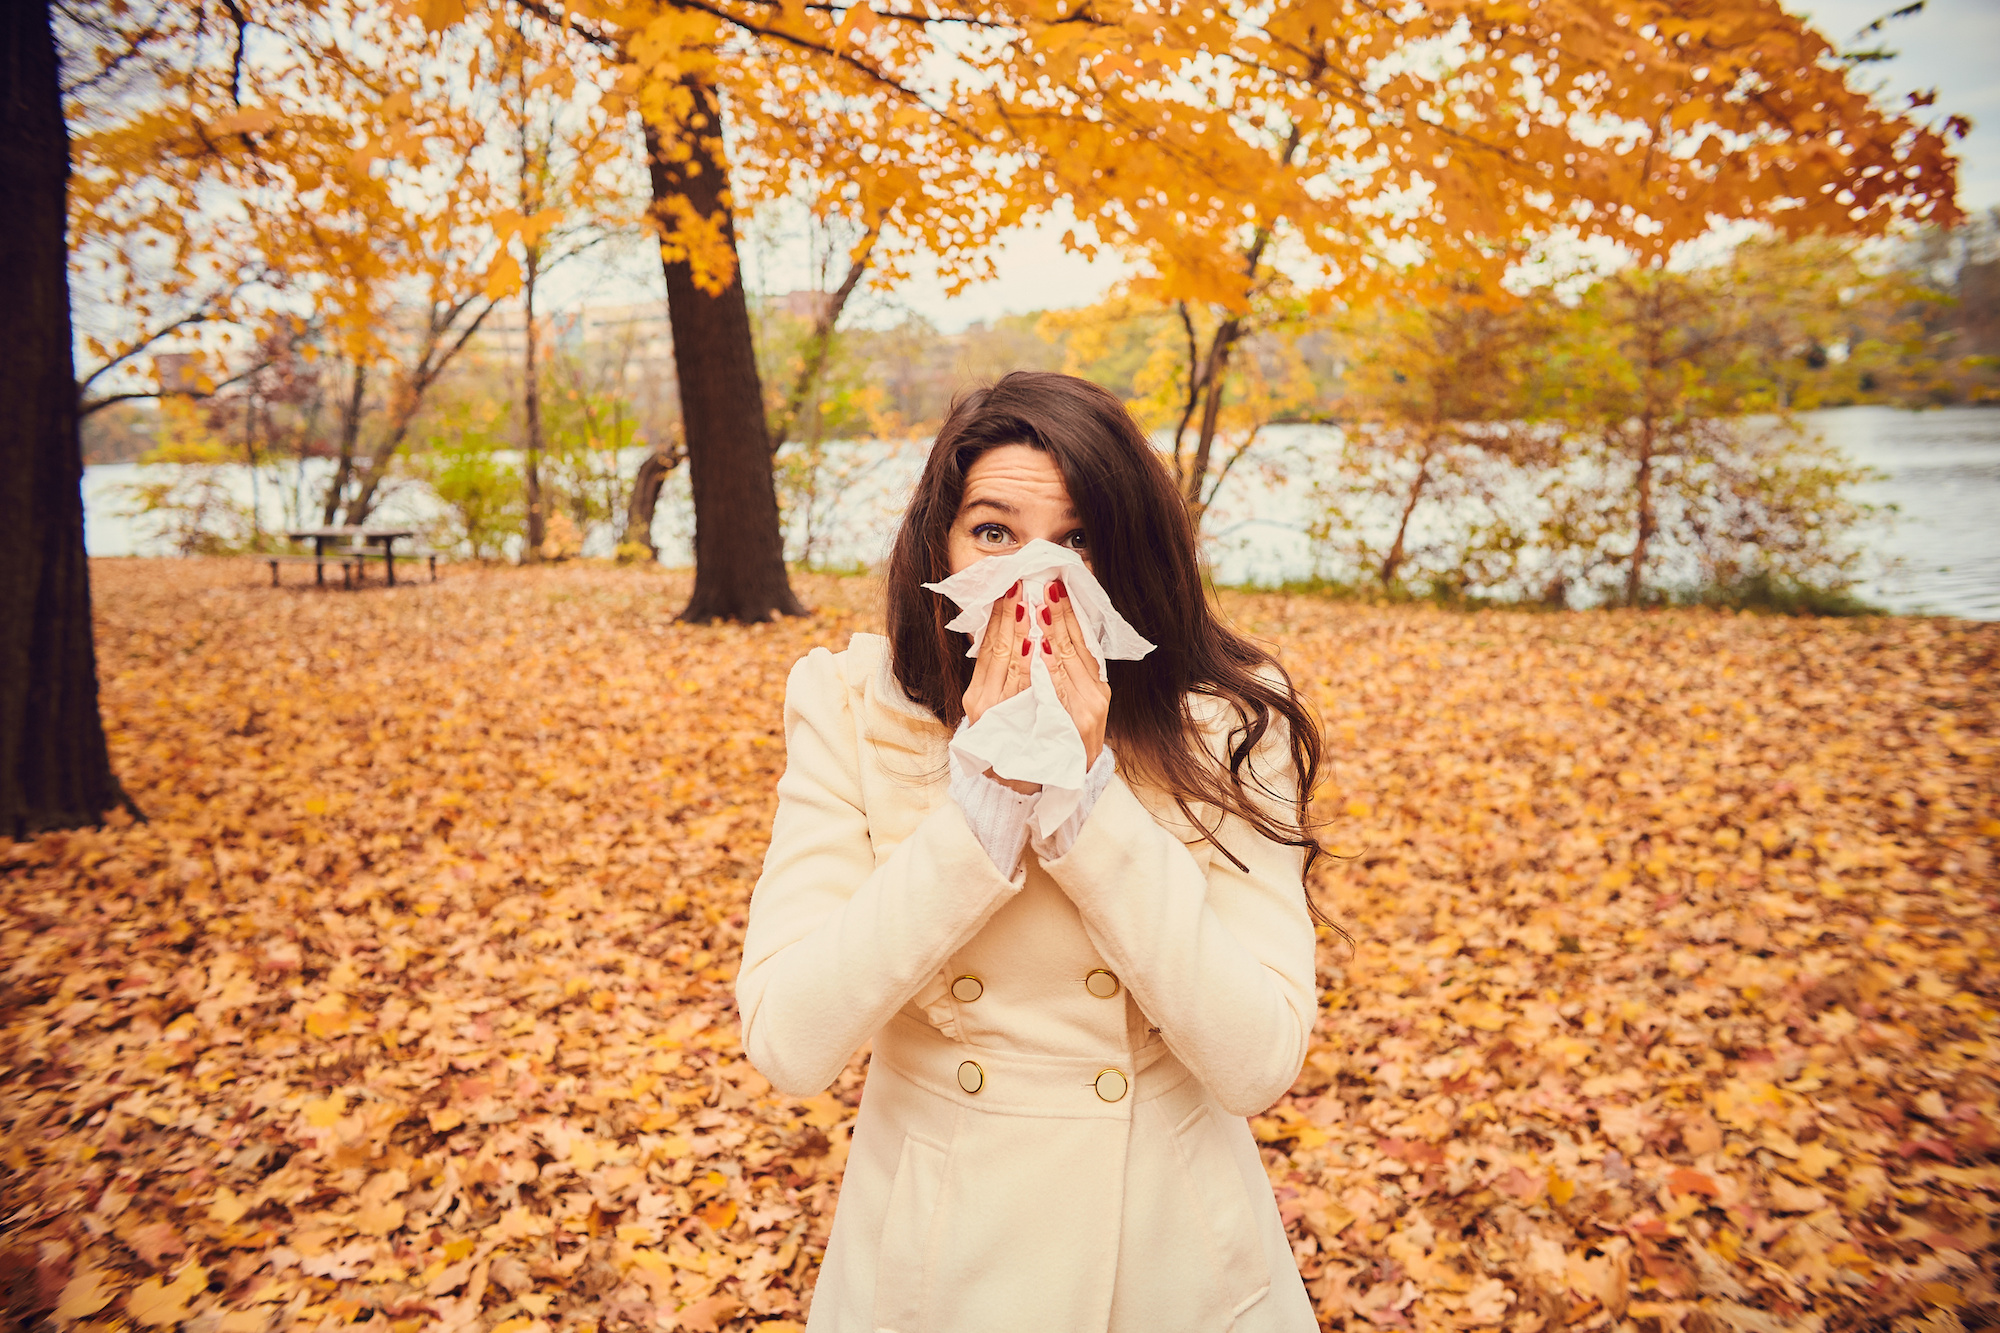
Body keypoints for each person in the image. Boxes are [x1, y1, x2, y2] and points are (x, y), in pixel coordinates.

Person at [736, 371, 1327, 1332]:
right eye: (996, 533)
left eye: (1080, 539)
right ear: (942, 543)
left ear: (1132, 553)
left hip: (1170, 1262)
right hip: (935, 1256)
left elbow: (1258, 1060)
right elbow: (789, 1041)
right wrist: (984, 807)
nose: (1036, 583)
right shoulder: (851, 704)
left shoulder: (1227, 717)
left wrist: (1085, 803)